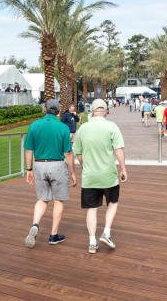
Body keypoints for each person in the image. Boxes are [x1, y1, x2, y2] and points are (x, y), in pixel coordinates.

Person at [74, 99, 127, 254]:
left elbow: (78, 152)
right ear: (105, 111)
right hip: (108, 175)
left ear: (92, 111)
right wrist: (123, 169)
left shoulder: (83, 128)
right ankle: (107, 232)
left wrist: (85, 165)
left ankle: (92, 241)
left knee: (92, 209)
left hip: (90, 177)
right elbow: (118, 150)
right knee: (113, 202)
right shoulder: (111, 126)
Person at [24, 100, 77, 249]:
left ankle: (35, 224)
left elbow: (28, 150)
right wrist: (73, 172)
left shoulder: (34, 125)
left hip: (39, 165)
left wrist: (29, 170)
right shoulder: (63, 128)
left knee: (42, 199)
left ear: (44, 109)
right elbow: (68, 153)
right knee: (58, 200)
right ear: (59, 112)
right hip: (57, 165)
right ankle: (53, 235)